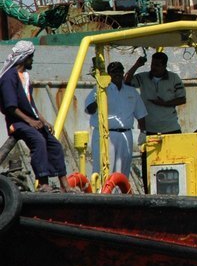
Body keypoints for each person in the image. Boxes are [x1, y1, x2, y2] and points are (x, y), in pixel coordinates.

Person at [0, 41, 72, 192]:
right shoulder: (9, 78)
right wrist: (30, 121)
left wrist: (43, 121)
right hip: (17, 122)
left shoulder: (25, 77)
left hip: (30, 121)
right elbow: (11, 107)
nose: (32, 60)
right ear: (24, 58)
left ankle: (65, 184)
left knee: (54, 145)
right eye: (30, 57)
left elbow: (30, 105)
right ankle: (43, 183)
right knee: (38, 141)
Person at [84, 60, 148, 175]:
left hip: (125, 135)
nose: (117, 74)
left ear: (123, 72)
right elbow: (89, 110)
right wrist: (99, 98)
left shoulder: (131, 91)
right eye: (114, 72)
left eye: (119, 71)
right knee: (103, 170)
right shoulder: (100, 89)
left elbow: (141, 113)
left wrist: (143, 132)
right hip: (105, 135)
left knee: (123, 171)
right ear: (109, 74)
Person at [124, 51, 186, 135]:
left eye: (157, 65)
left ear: (165, 66)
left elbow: (182, 99)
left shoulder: (174, 78)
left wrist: (165, 103)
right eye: (152, 64)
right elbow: (125, 82)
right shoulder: (143, 77)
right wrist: (136, 65)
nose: (153, 67)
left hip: (171, 127)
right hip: (149, 128)